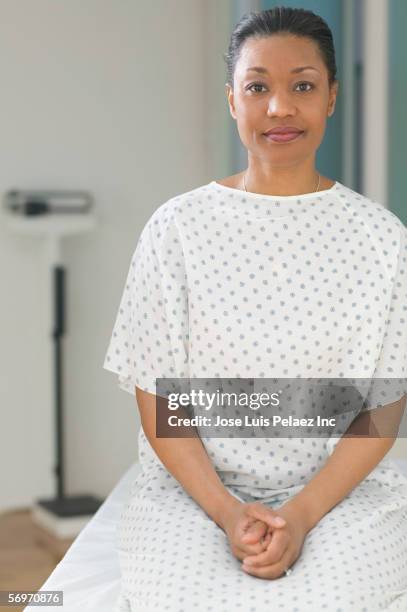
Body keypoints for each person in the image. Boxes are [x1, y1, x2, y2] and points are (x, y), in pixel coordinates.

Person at [103, 6, 407, 611]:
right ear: (232, 100)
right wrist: (226, 511)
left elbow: (382, 409)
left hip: (342, 496)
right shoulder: (177, 228)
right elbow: (159, 397)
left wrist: (298, 515)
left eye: (302, 86)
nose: (279, 108)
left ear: (331, 98)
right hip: (194, 494)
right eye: (258, 87)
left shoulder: (383, 238)